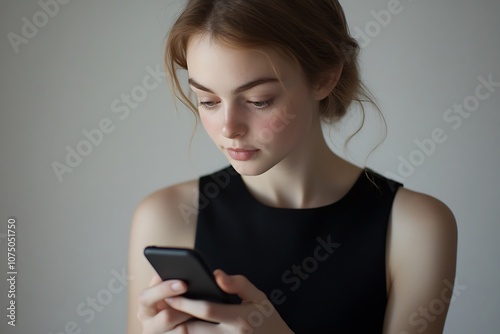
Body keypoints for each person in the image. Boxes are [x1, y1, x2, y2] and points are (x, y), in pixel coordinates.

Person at [127, 0, 458, 333]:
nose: (229, 128)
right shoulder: (166, 215)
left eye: (259, 100)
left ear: (324, 78)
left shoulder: (417, 227)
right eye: (208, 101)